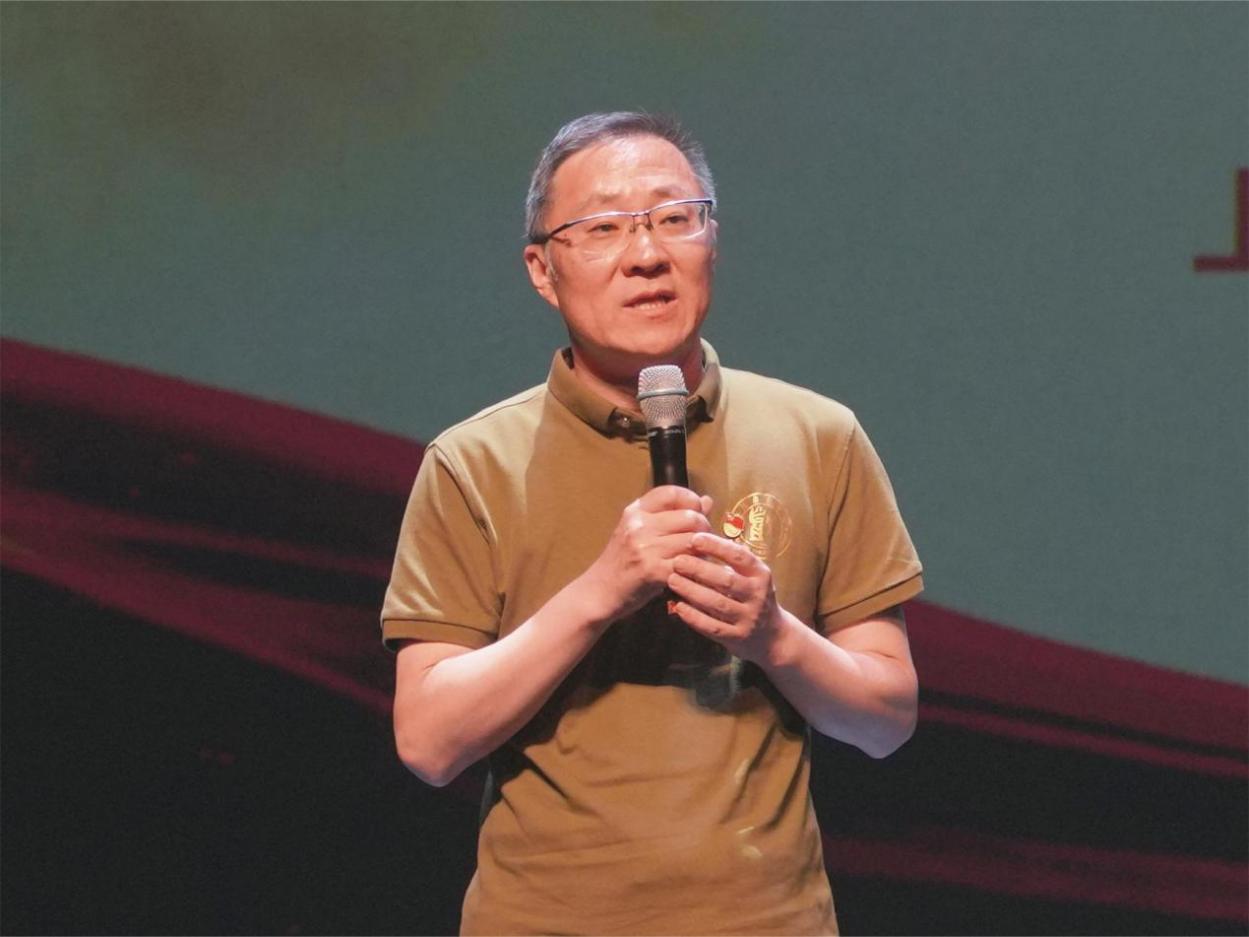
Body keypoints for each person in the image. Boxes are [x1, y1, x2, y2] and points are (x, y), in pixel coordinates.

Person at [381, 112, 923, 936]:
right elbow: (428, 742)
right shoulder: (473, 462)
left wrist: (774, 634)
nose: (645, 255)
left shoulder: (819, 437)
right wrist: (599, 591)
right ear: (542, 269)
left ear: (713, 239)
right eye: (602, 228)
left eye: (674, 217)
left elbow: (885, 721)